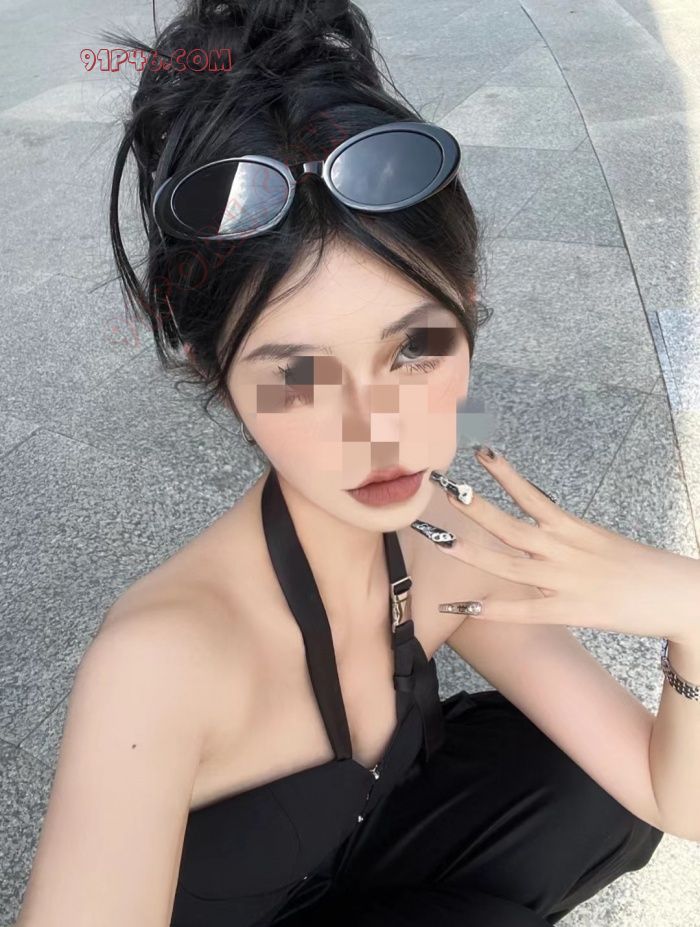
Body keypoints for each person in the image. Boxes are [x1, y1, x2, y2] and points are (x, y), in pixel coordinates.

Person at [21, 1, 698, 925]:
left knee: (585, 786)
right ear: (216, 374)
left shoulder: (445, 541)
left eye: (414, 348)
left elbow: (671, 793)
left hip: (366, 855)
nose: (375, 429)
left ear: (467, 307)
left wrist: (689, 611)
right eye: (298, 376)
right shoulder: (158, 665)